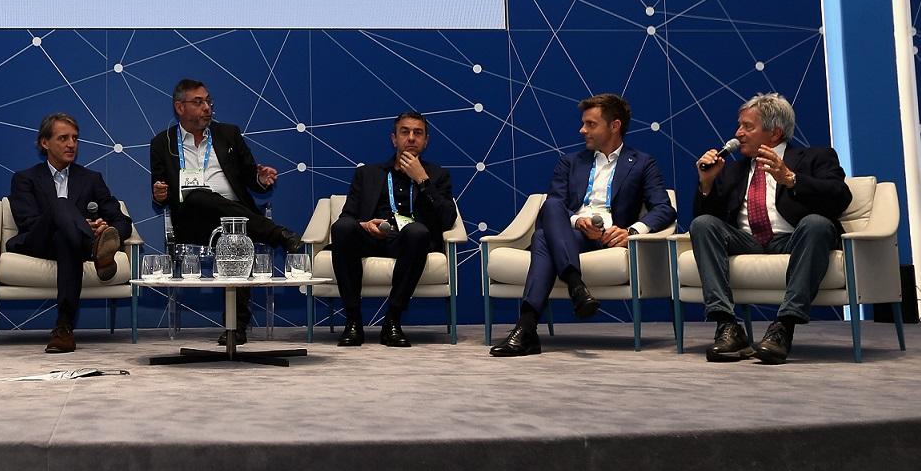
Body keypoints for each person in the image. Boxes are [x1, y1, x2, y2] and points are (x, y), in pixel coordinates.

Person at [491, 93, 676, 358]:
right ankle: (575, 286)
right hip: (571, 235)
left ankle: (526, 330)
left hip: (606, 238)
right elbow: (556, 204)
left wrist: (632, 231)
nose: (583, 130)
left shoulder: (642, 163)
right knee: (551, 208)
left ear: (615, 126)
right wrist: (579, 221)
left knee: (543, 239)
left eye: (590, 124)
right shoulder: (570, 162)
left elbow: (664, 208)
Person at [690, 92, 850, 364]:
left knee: (816, 224)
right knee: (702, 224)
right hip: (747, 240)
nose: (738, 133)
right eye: (739, 125)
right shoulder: (732, 170)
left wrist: (790, 178)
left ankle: (783, 327)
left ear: (774, 133)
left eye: (747, 127)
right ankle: (727, 325)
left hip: (792, 238)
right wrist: (706, 184)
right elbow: (709, 223)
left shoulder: (815, 157)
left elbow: (840, 196)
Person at [150, 78, 302, 346]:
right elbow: (160, 188)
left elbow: (249, 176)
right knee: (198, 195)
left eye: (209, 101)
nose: (207, 107)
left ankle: (236, 326)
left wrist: (260, 179)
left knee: (234, 235)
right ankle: (276, 233)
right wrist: (159, 193)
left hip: (235, 217)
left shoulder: (229, 134)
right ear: (179, 107)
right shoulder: (162, 143)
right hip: (191, 219)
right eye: (198, 102)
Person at [330, 111, 457, 348]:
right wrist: (364, 224)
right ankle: (353, 322)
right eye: (405, 132)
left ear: (426, 141)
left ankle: (392, 321)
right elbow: (347, 215)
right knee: (343, 228)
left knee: (417, 232)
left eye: (417, 133)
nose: (411, 138)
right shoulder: (367, 173)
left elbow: (448, 219)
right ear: (394, 139)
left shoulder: (438, 175)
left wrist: (423, 180)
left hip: (408, 242)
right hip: (372, 236)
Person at [7, 113, 130, 353]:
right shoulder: (25, 179)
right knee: (61, 205)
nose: (71, 144)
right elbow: (28, 223)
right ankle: (95, 247)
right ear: (45, 143)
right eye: (63, 138)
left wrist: (108, 230)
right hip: (38, 242)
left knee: (67, 239)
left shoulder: (91, 179)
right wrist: (84, 227)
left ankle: (63, 328)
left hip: (70, 246)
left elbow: (122, 220)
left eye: (75, 138)